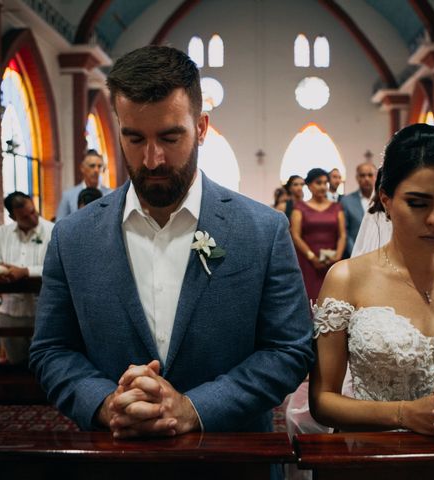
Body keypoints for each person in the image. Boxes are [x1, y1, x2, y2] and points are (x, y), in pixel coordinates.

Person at [29, 46, 313, 447]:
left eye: (169, 136)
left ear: (201, 127)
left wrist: (196, 408)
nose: (152, 159)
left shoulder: (261, 230)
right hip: (115, 460)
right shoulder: (73, 237)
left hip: (231, 459)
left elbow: (289, 349)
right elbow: (51, 350)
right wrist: (107, 403)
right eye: (134, 138)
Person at [309, 124, 434, 438]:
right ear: (386, 199)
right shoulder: (347, 279)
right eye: (418, 203)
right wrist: (403, 414)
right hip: (377, 457)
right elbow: (323, 401)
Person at [0, 192, 54, 367]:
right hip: (10, 312)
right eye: (24, 216)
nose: (32, 218)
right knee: (17, 365)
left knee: (46, 366)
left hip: (43, 313)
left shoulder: (52, 230)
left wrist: (26, 271)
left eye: (33, 212)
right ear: (13, 216)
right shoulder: (2, 233)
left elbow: (56, 269)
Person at [290, 168, 345, 302]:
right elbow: (295, 235)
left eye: (325, 183)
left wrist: (338, 255)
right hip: (308, 260)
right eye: (318, 183)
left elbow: (342, 234)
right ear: (309, 185)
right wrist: (312, 257)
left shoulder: (336, 207)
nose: (322, 187)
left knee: (332, 297)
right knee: (310, 296)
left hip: (331, 260)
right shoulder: (300, 207)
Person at [55, 149, 113, 220]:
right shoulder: (68, 196)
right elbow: (59, 225)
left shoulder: (111, 194)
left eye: (99, 166)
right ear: (82, 168)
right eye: (92, 166)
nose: (96, 170)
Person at [341, 162, 376, 257]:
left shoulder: (383, 200)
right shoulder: (347, 201)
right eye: (362, 175)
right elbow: (345, 232)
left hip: (379, 252)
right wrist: (355, 253)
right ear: (357, 178)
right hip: (355, 254)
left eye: (370, 175)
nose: (366, 179)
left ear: (376, 176)